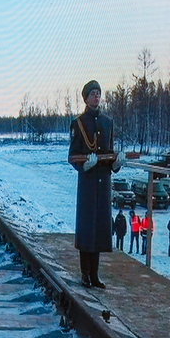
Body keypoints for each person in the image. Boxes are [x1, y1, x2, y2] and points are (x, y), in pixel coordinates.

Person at [68, 80, 124, 289]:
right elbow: (73, 155)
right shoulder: (79, 123)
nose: (96, 97)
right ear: (86, 98)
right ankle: (85, 273)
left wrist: (117, 164)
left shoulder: (107, 122)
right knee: (87, 227)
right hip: (88, 181)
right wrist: (85, 167)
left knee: (100, 227)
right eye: (93, 94)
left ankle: (95, 274)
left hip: (103, 181)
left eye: (99, 93)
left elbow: (109, 154)